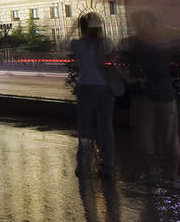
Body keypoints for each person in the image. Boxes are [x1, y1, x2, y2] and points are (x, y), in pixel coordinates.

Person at [124, 10, 180, 183]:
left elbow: (115, 60)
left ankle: (150, 173)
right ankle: (173, 175)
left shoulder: (134, 43)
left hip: (144, 94)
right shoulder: (165, 41)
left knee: (145, 134)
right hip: (165, 92)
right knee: (170, 135)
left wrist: (128, 78)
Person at [70, 13, 115, 179]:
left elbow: (66, 45)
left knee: (85, 128)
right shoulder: (106, 43)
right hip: (105, 88)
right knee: (106, 127)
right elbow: (113, 60)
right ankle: (108, 166)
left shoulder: (78, 44)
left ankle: (83, 165)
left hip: (86, 87)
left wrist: (73, 28)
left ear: (82, 28)